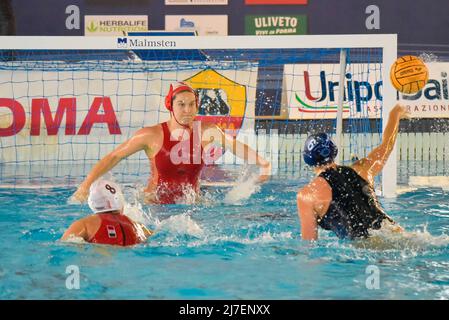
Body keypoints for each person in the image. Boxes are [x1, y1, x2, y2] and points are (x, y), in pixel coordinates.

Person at [71, 81, 271, 204]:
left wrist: (263, 162)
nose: (188, 110)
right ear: (170, 106)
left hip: (191, 204)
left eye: (192, 104)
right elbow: (114, 156)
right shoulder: (151, 135)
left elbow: (236, 147)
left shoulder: (207, 131)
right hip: (153, 204)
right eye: (181, 105)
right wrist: (85, 186)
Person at [297, 104, 410, 241]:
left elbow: (309, 246)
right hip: (395, 233)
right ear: (334, 151)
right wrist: (395, 112)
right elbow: (386, 146)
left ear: (308, 159)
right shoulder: (363, 169)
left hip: (368, 247)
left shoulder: (307, 195)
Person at [62, 179, 153, 246]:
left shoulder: (84, 224)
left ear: (92, 202)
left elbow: (65, 245)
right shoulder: (139, 227)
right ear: (120, 200)